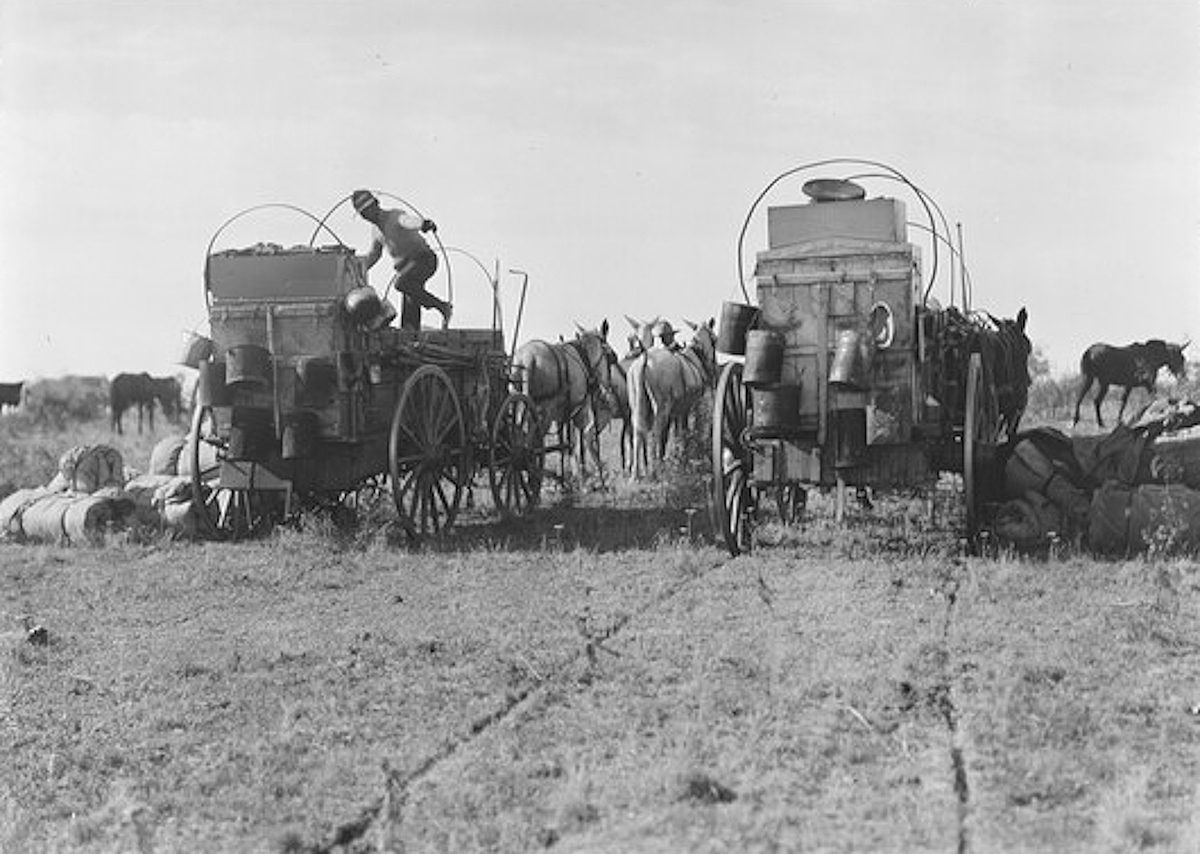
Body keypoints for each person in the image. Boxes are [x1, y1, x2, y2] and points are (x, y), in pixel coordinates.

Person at [352, 189, 452, 331]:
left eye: (368, 210)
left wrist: (422, 224)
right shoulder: (376, 231)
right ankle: (411, 332)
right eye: (363, 214)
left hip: (424, 260)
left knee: (402, 284)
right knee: (411, 297)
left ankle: (442, 306)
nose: (367, 216)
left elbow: (407, 221)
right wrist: (359, 268)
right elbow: (374, 254)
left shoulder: (394, 216)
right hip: (407, 268)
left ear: (376, 204)